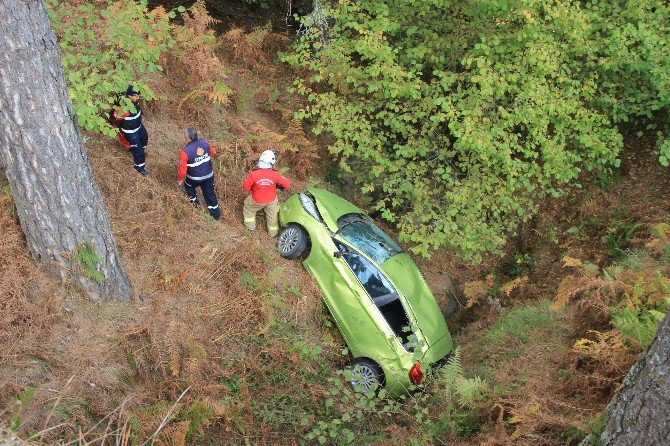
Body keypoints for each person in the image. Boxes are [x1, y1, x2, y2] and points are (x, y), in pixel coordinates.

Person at [242, 150, 291, 237]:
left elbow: (246, 187)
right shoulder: (276, 174)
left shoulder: (253, 174)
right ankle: (273, 234)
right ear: (272, 162)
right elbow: (287, 184)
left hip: (257, 200)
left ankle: (250, 229)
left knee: (248, 208)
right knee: (273, 216)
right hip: (271, 200)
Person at [177, 127, 220, 220]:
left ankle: (196, 206)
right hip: (209, 176)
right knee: (210, 194)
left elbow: (182, 170)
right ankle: (216, 215)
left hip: (194, 178)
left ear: (187, 137)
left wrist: (180, 180)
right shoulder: (204, 142)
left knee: (188, 186)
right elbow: (213, 152)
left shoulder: (185, 151)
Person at [113, 85, 149, 176]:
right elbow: (116, 116)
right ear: (129, 95)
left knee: (144, 138)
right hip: (130, 131)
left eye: (138, 95)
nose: (138, 97)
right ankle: (139, 168)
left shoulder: (133, 101)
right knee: (138, 150)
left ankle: (141, 151)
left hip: (138, 126)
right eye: (136, 95)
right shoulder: (123, 106)